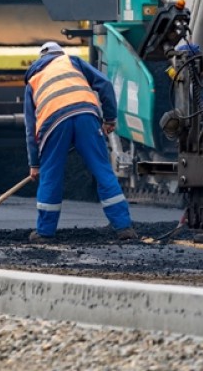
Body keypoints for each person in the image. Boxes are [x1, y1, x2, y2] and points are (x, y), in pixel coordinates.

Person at [23, 41, 138, 243]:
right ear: (60, 53)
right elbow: (105, 84)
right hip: (86, 115)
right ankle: (124, 227)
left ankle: (44, 232)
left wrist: (34, 163)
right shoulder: (72, 61)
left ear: (41, 59)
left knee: (51, 175)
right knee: (103, 171)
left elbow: (30, 128)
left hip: (53, 123)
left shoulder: (33, 79)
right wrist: (110, 118)